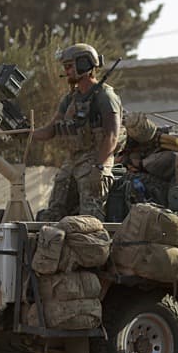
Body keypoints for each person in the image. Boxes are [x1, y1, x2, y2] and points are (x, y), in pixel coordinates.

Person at [32, 43, 124, 221]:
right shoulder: (70, 99)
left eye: (69, 66)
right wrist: (24, 133)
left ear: (84, 64)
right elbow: (50, 131)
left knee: (91, 218)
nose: (66, 71)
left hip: (96, 160)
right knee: (53, 212)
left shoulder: (105, 96)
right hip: (73, 159)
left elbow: (112, 136)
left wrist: (99, 166)